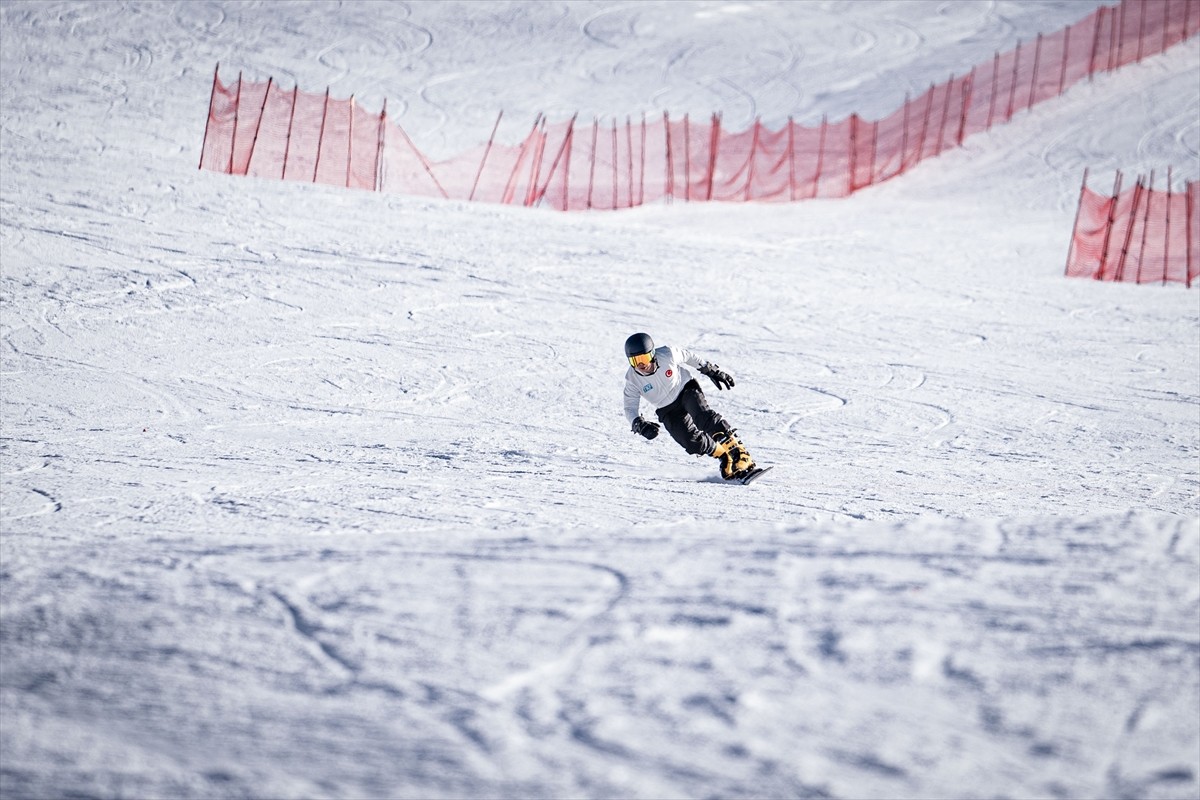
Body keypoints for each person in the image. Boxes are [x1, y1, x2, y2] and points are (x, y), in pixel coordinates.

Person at [622, 332, 756, 480]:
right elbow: (629, 408)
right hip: (666, 408)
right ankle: (725, 455)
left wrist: (710, 369)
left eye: (644, 358)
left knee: (703, 417)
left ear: (652, 354)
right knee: (691, 442)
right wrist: (638, 424)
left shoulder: (667, 354)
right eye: (635, 361)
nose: (641, 365)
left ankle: (739, 453)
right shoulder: (632, 380)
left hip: (685, 389)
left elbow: (688, 356)